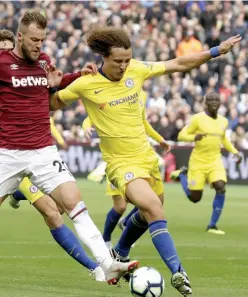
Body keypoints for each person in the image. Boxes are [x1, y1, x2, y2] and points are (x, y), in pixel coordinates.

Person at [0, 12, 138, 284]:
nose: (38, 45)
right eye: (33, 40)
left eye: (42, 40)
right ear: (19, 37)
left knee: (75, 205)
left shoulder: (44, 63)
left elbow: (52, 85)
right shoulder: (0, 64)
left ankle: (107, 263)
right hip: (8, 155)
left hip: (43, 151)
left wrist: (75, 76)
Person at [50, 25, 241, 296]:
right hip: (120, 164)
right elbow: (52, 103)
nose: (124, 66)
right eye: (118, 62)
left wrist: (214, 52)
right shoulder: (86, 84)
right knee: (154, 208)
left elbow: (177, 63)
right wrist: (52, 82)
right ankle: (178, 272)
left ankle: (120, 251)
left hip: (147, 160)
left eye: (127, 60)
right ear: (103, 57)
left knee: (148, 211)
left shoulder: (137, 69)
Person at [0, 29, 105, 281]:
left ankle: (96, 266)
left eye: (9, 49)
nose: (7, 56)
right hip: (8, 157)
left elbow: (51, 96)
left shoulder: (32, 69)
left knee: (59, 208)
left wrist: (75, 76)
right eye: (0, 52)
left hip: (37, 151)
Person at [82, 90, 170, 248]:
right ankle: (106, 239)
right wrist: (87, 127)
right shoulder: (113, 92)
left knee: (147, 198)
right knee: (120, 206)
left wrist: (159, 139)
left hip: (140, 160)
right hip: (119, 161)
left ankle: (126, 225)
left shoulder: (142, 95)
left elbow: (143, 123)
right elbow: (91, 116)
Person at [171, 92, 242, 235]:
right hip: (198, 161)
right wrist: (194, 137)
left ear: (220, 102)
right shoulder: (197, 119)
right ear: (205, 103)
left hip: (215, 160)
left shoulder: (223, 121)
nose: (214, 102)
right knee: (195, 198)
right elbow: (181, 135)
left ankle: (212, 225)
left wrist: (235, 152)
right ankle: (182, 175)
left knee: (221, 187)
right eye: (211, 100)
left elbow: (224, 140)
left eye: (217, 99)